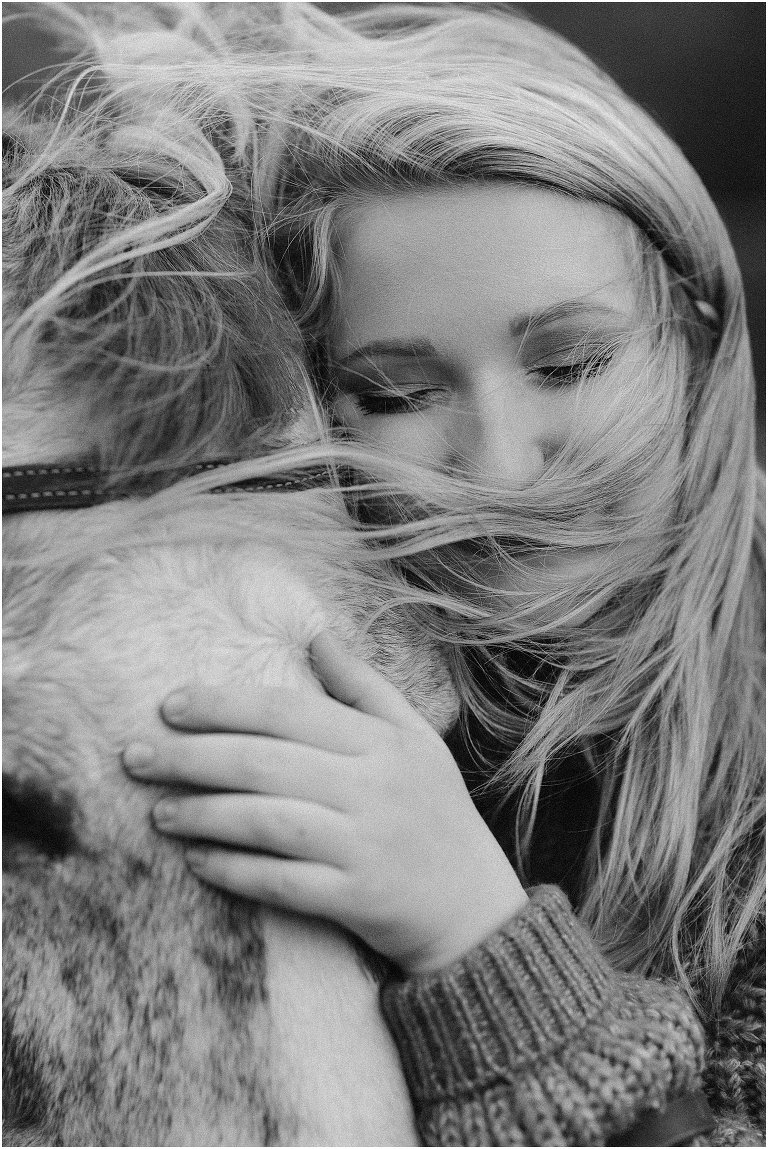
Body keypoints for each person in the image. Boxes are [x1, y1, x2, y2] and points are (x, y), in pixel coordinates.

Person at [118, 4, 765, 1144]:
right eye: (401, 393)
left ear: (697, 341)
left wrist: (475, 943)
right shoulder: (259, 687)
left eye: (568, 360)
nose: (503, 466)